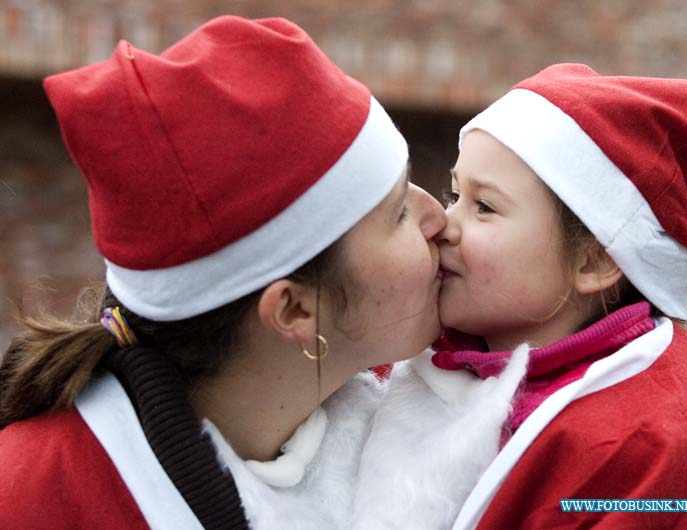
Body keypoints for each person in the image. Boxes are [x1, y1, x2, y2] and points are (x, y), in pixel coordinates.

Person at [0, 16, 447, 530]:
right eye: (398, 212)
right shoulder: (34, 505)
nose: (439, 217)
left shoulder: (421, 409)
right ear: (295, 309)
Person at [354, 64, 687, 529]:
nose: (444, 222)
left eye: (484, 206)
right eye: (455, 193)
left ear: (594, 262)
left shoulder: (643, 442)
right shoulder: (436, 350)